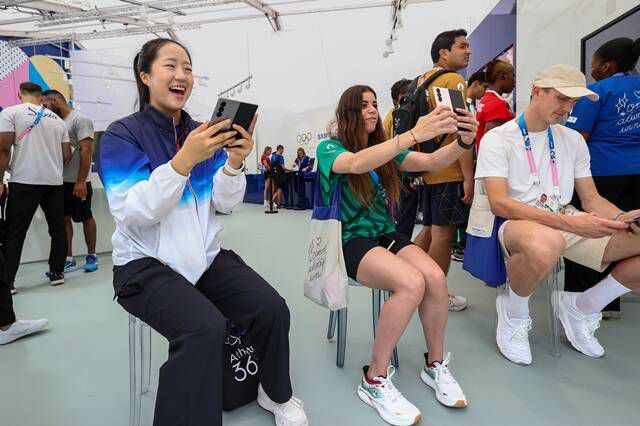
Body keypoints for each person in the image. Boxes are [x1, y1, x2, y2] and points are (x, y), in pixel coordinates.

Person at [97, 38, 308, 426]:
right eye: (170, 66)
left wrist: (234, 161)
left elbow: (224, 203)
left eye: (188, 68)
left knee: (272, 308)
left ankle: (275, 392)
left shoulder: (201, 132)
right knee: (203, 330)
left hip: (203, 258)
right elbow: (132, 211)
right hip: (144, 266)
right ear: (145, 76)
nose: (182, 75)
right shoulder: (121, 135)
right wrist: (183, 162)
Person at [317, 84, 478, 425]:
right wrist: (412, 135)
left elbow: (433, 161)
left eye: (374, 104)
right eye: (363, 105)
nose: (372, 109)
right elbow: (356, 163)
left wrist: (464, 141)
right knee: (410, 283)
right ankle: (374, 377)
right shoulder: (330, 148)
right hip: (349, 239)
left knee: (434, 277)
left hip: (384, 234)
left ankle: (435, 364)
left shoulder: (386, 150)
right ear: (348, 113)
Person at [474, 64, 640, 366]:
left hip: (564, 215)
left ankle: (583, 306)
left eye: (573, 101)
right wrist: (571, 222)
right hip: (517, 221)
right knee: (547, 244)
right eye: (561, 98)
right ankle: (514, 312)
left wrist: (621, 218)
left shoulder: (572, 139)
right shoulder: (498, 138)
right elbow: (500, 203)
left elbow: (591, 198)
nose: (567, 108)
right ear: (537, 91)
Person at [395, 29, 474, 312]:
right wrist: (468, 177)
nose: (468, 51)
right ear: (444, 52)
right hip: (447, 169)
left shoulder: (419, 81)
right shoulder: (453, 80)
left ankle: (404, 275)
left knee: (429, 229)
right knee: (443, 234)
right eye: (462, 46)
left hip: (424, 168)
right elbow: (461, 132)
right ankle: (438, 294)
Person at [564, 37, 640, 319]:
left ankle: (579, 300)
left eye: (593, 64)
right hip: (637, 174)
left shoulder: (596, 92)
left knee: (588, 232)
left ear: (607, 66)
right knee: (630, 233)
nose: (592, 69)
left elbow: (577, 137)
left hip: (601, 174)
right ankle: (608, 301)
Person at [0, 82, 71, 289]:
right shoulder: (58, 121)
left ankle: (8, 281)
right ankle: (57, 272)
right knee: (57, 229)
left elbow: (3, 150)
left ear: (19, 95)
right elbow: (67, 154)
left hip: (24, 180)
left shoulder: (10, 113)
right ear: (41, 97)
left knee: (15, 231)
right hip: (54, 182)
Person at [43, 89, 99, 273]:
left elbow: (86, 150)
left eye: (45, 104)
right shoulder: (56, 122)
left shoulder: (80, 119)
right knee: (64, 219)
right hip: (59, 181)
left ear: (55, 100)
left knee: (86, 218)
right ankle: (68, 257)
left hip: (78, 181)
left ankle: (92, 255)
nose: (44, 108)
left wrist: (81, 180)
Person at [475, 59, 516, 150]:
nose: (515, 81)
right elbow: (492, 141)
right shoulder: (497, 103)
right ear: (504, 76)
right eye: (513, 76)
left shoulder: (486, 100)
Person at [260, 145, 274, 210]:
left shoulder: (267, 157)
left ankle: (267, 200)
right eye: (269, 151)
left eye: (271, 151)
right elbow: (265, 165)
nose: (270, 152)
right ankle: (265, 201)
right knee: (267, 187)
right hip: (267, 173)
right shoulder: (264, 156)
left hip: (268, 172)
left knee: (269, 187)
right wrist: (270, 170)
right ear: (266, 150)